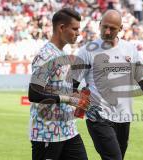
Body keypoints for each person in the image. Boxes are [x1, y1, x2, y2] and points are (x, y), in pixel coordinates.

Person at [72, 9, 143, 160]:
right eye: (104, 27)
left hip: (124, 117)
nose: (107, 31)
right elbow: (71, 86)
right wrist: (85, 105)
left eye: (112, 28)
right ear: (99, 24)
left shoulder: (130, 49)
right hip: (98, 117)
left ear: (120, 29)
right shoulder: (87, 51)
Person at [28, 8, 89, 160]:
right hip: (47, 133)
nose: (78, 33)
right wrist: (68, 99)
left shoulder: (62, 54)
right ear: (62, 28)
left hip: (68, 130)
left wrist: (76, 98)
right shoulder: (46, 55)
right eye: (75, 29)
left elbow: (60, 90)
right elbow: (34, 93)